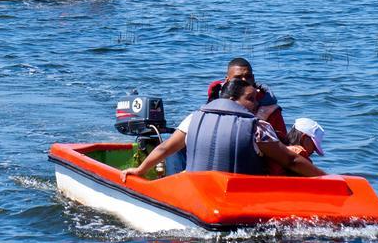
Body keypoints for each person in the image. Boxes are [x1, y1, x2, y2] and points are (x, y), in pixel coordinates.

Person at [120, 79, 324, 181]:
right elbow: (291, 160)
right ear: (232, 99)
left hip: (195, 195)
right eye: (250, 99)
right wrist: (326, 179)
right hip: (235, 201)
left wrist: (140, 171)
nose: (255, 105)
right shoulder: (258, 128)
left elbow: (164, 149)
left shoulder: (194, 118)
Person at [206, 58, 287, 140]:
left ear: (253, 78)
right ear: (227, 80)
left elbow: (282, 139)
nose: (244, 80)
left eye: (248, 77)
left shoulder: (269, 107)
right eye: (238, 77)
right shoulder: (216, 99)